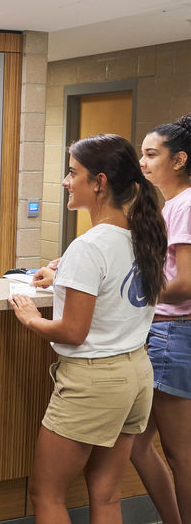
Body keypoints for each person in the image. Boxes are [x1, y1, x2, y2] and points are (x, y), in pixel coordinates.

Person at [8, 134, 167, 524]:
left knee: (46, 493)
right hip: (135, 374)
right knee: (107, 495)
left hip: (94, 382)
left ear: (98, 182)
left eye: (72, 172)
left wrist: (32, 319)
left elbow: (73, 331)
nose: (65, 180)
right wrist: (63, 272)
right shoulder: (144, 235)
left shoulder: (89, 246)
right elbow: (112, 282)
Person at [129, 115, 191, 524]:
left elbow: (184, 283)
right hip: (163, 334)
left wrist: (132, 293)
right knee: (137, 446)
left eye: (152, 154)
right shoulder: (170, 204)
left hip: (171, 335)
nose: (143, 161)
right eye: (142, 153)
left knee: (180, 452)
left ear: (180, 159)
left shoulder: (185, 205)